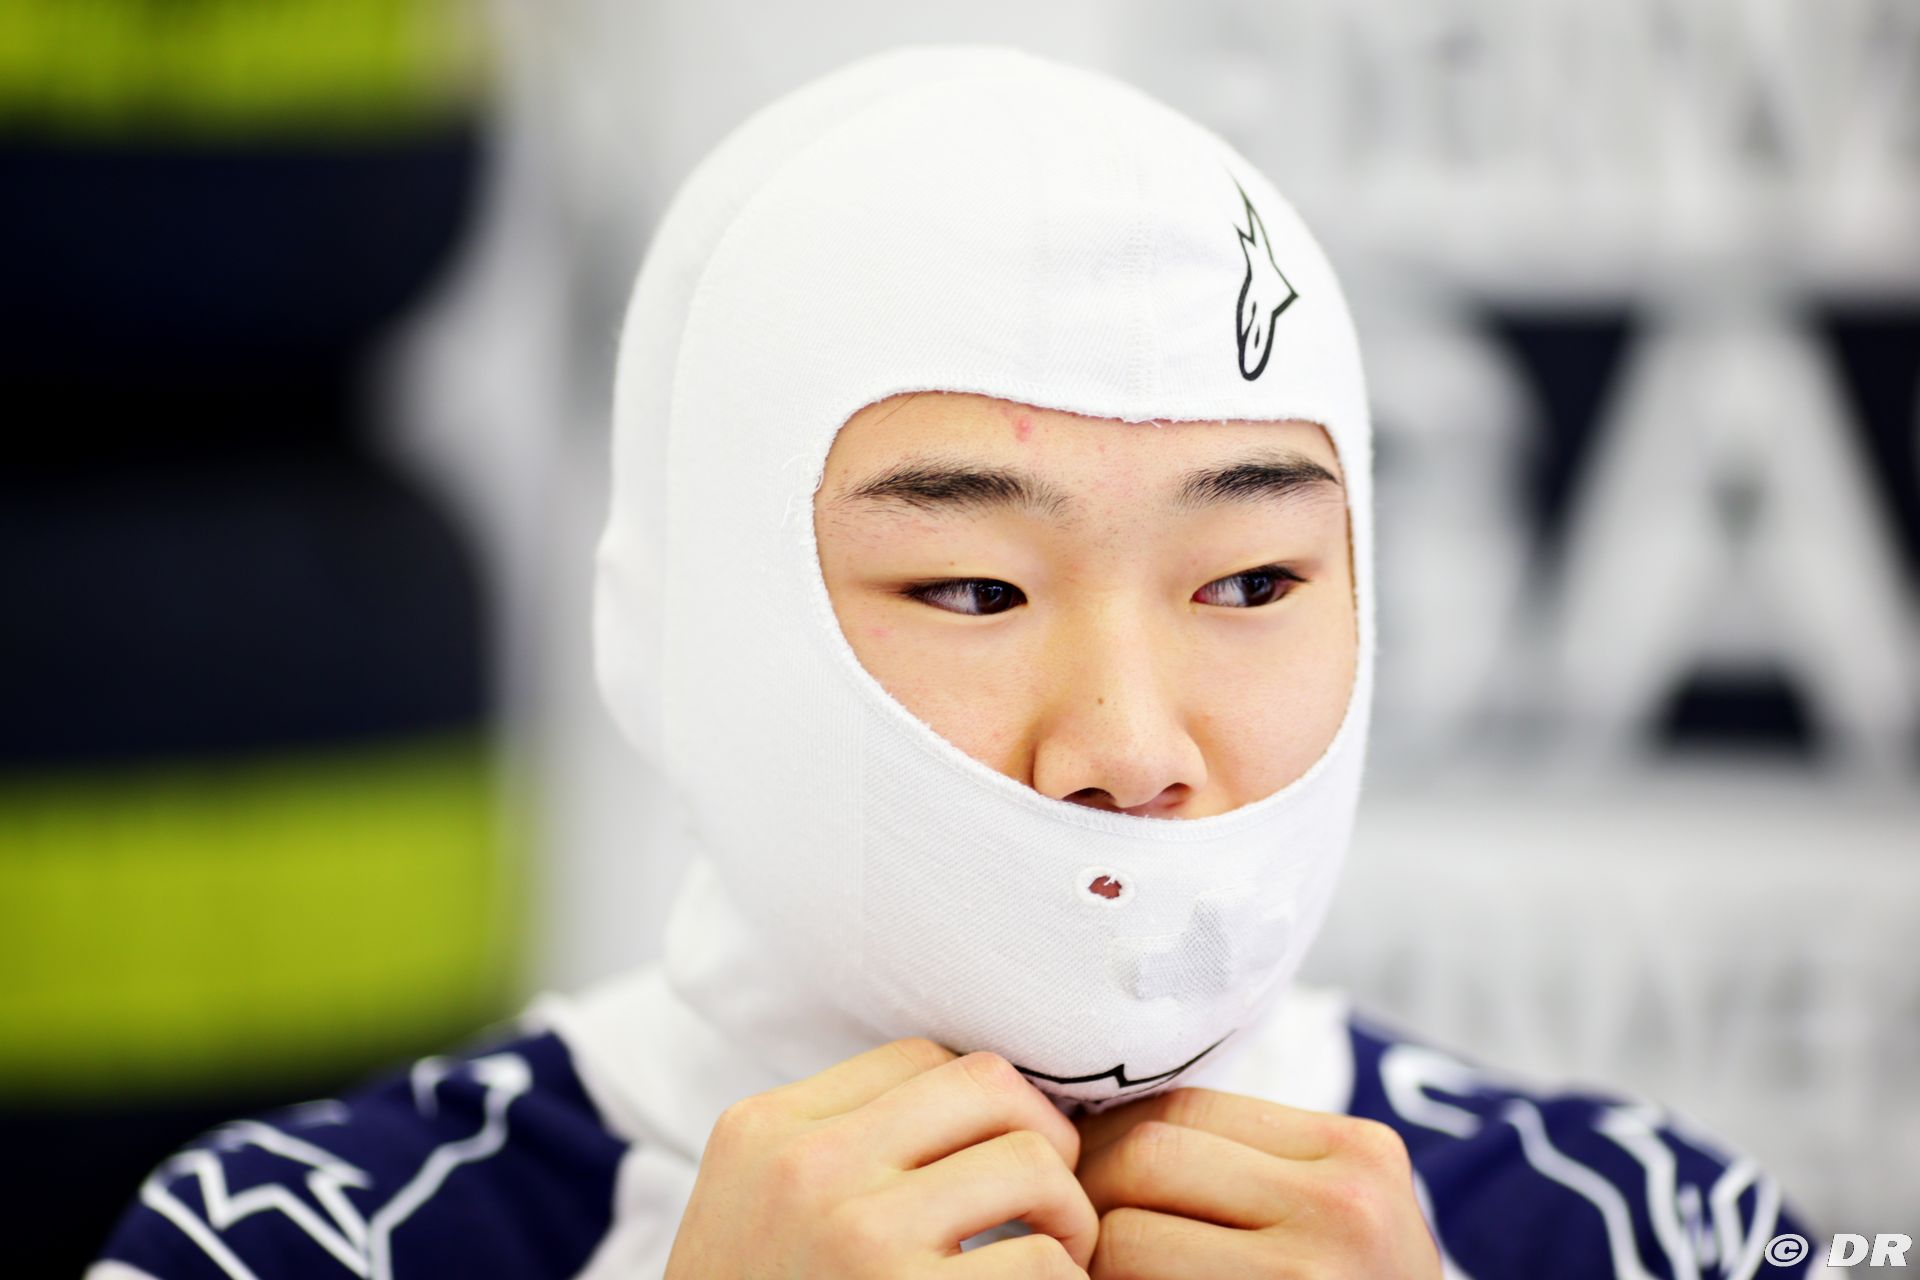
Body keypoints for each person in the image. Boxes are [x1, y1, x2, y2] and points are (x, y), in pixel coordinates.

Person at [91, 45, 1821, 1280]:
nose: (1129, 746)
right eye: (976, 590)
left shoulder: (1657, 1230)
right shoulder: (298, 1242)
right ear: (685, 630)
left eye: (1251, 579)